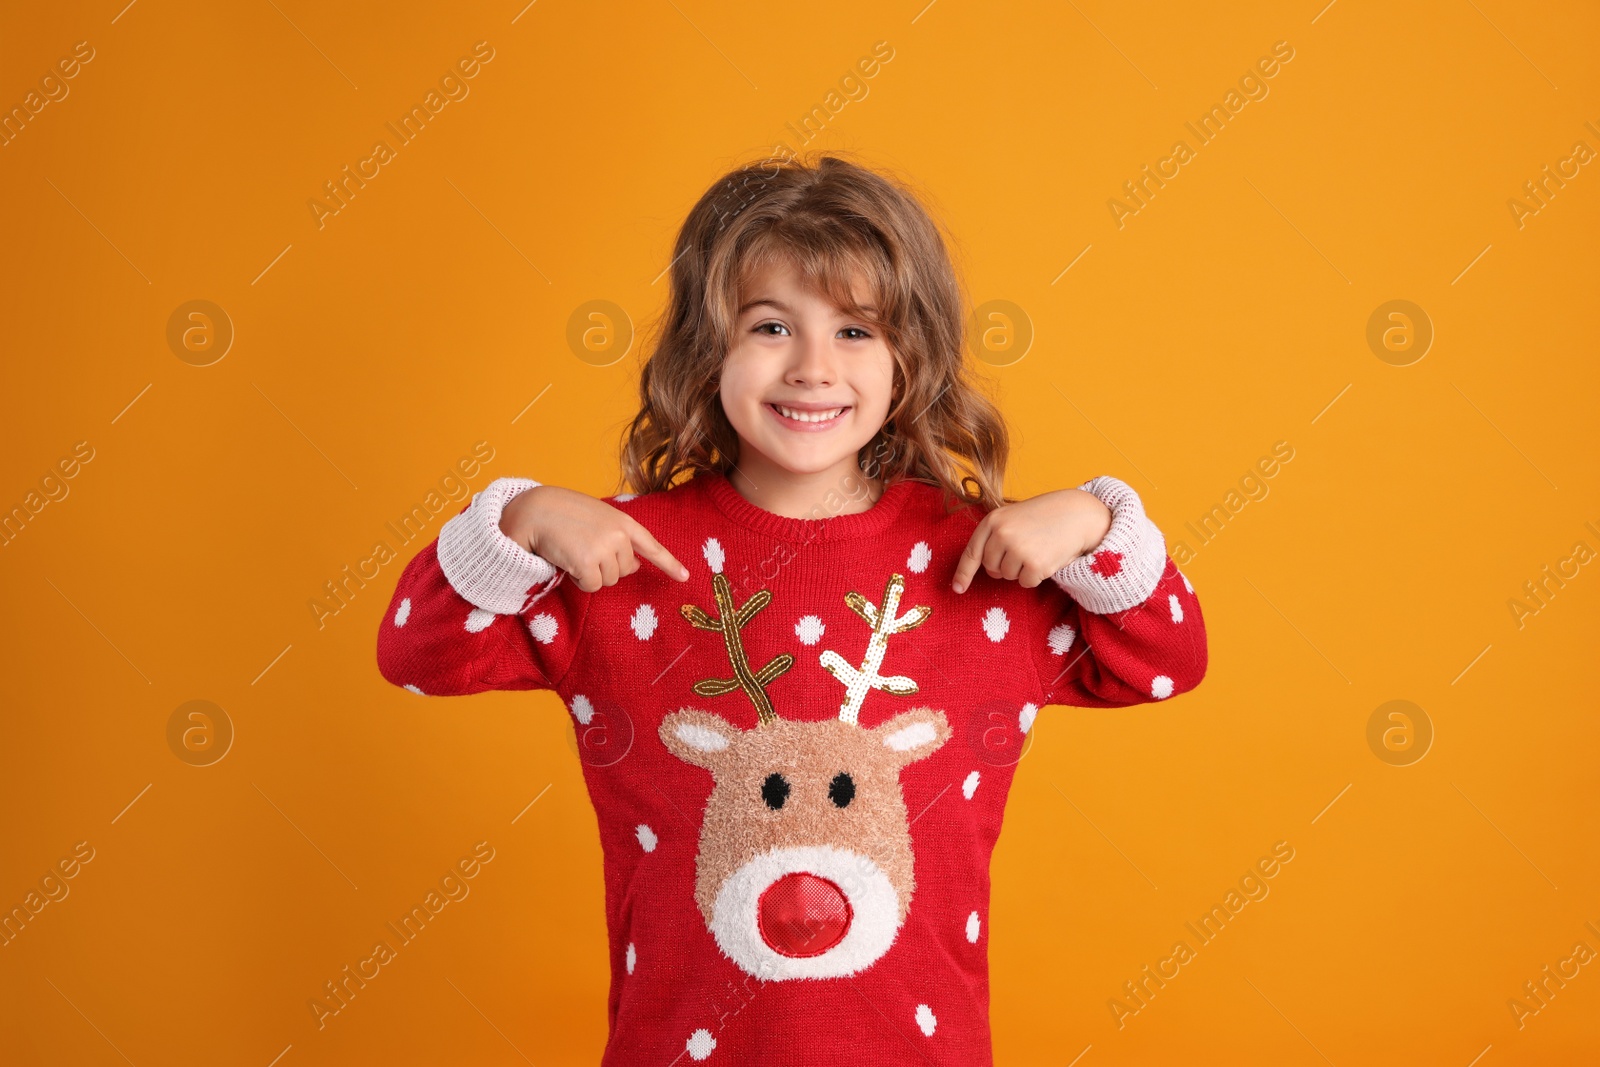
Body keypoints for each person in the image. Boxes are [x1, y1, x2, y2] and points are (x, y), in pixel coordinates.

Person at [376, 152, 1207, 1065]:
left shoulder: (985, 563)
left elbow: (1165, 656)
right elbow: (418, 653)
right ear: (707, 347)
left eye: (856, 332)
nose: (813, 368)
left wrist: (1098, 518)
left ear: (910, 354)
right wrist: (516, 519)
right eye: (771, 325)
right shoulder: (616, 561)